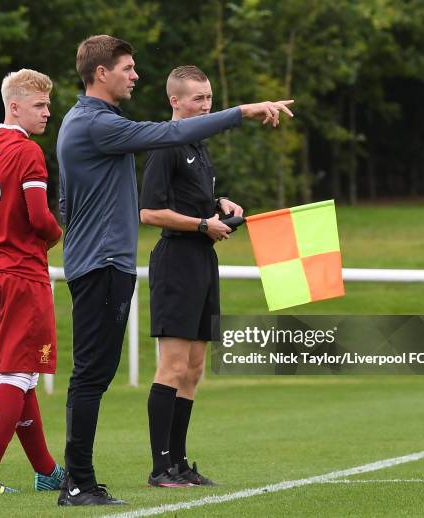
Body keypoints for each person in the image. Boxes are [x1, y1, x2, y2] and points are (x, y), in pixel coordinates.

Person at [56, 34, 293, 506]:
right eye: (127, 67)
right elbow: (170, 134)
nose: (135, 75)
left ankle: (87, 478)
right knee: (91, 375)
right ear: (101, 73)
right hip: (103, 263)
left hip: (106, 261)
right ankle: (78, 482)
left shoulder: (91, 121)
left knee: (98, 373)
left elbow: (67, 203)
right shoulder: (96, 123)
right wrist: (242, 111)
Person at [0, 68, 66, 495]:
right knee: (18, 377)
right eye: (39, 106)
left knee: (24, 375)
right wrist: (56, 236)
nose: (47, 113)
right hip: (22, 275)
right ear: (14, 106)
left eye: (48, 105)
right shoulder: (28, 152)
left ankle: (46, 471)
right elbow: (39, 217)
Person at [140, 65, 244, 488]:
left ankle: (180, 463)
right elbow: (149, 211)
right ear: (175, 101)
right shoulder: (165, 144)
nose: (206, 105)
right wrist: (202, 226)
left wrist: (219, 204)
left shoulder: (198, 145)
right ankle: (160, 467)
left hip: (203, 261)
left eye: (209, 98)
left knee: (196, 368)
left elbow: (192, 199)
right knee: (173, 366)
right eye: (198, 98)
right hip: (176, 261)